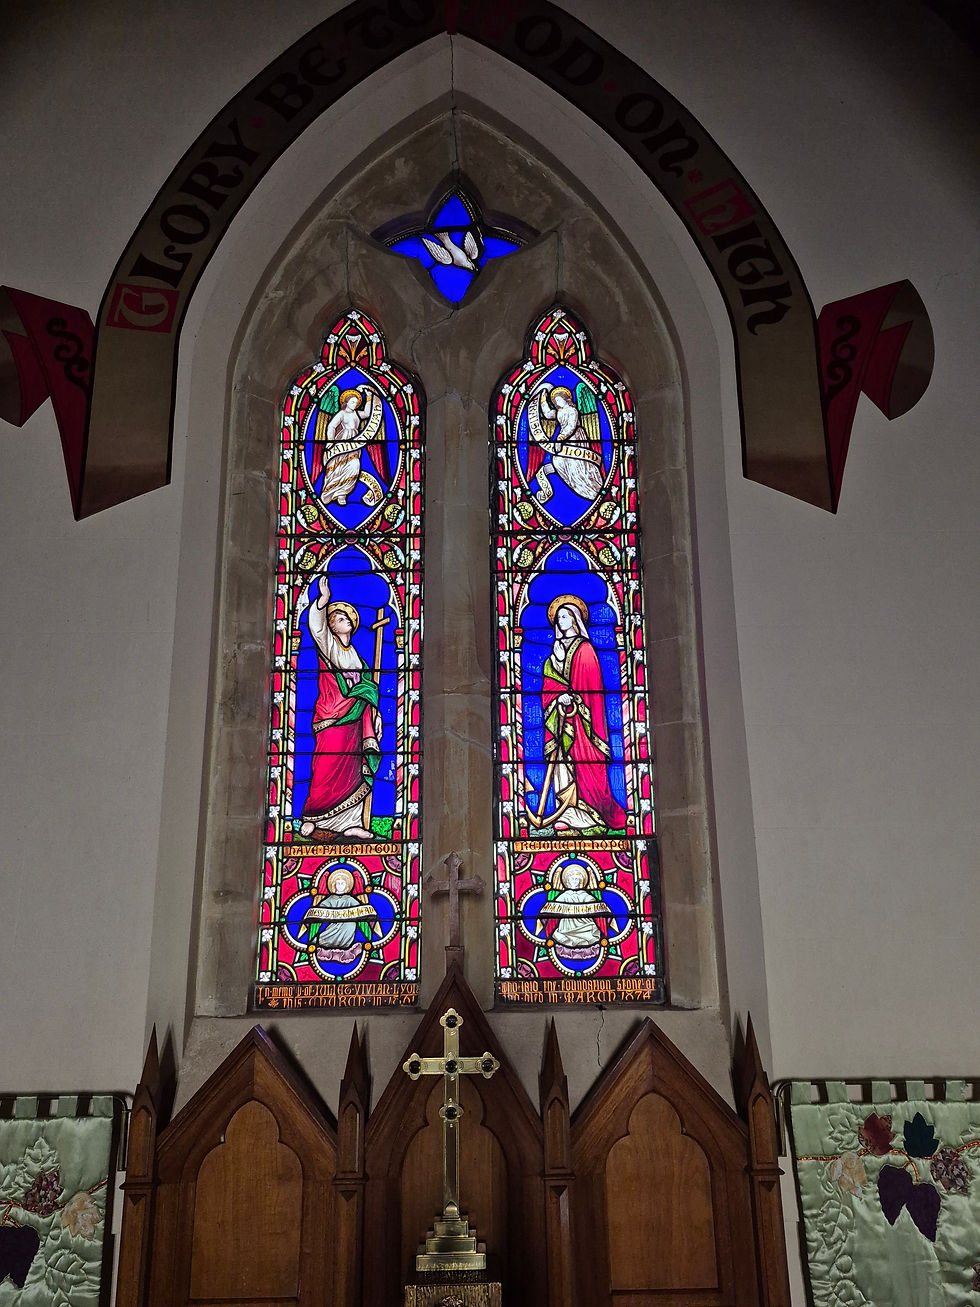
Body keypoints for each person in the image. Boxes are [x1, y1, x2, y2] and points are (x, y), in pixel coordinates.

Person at [534, 594, 627, 833]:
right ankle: (566, 813)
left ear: (575, 620)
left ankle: (588, 815)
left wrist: (572, 697)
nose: (561, 621)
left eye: (565, 616)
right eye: (558, 617)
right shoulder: (555, 649)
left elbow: (590, 685)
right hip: (560, 719)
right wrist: (557, 694)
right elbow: (549, 683)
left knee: (584, 763)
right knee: (562, 766)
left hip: (582, 724)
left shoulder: (585, 649)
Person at [299, 574, 381, 840]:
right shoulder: (329, 646)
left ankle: (352, 822)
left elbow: (366, 685)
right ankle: (312, 817)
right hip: (332, 716)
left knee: (353, 769)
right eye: (338, 618)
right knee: (326, 766)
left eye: (347, 618)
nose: (343, 621)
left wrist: (371, 702)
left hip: (355, 718)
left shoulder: (356, 655)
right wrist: (323, 602)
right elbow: (317, 628)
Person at [528, 384, 604, 504]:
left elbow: (571, 426)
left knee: (577, 466)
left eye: (559, 399)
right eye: (556, 401)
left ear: (566, 399)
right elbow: (547, 414)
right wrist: (542, 397)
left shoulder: (572, 410)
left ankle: (592, 489)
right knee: (560, 461)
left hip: (575, 438)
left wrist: (560, 438)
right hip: (564, 439)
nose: (558, 402)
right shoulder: (559, 412)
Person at [311, 385, 384, 506]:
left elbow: (367, 413)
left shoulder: (356, 414)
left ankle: (342, 493)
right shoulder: (341, 413)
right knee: (336, 468)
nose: (354, 404)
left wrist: (369, 397)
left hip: (355, 443)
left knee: (354, 465)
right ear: (346, 402)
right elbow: (331, 426)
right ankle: (330, 491)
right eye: (352, 401)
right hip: (342, 441)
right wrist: (330, 441)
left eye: (356, 402)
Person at [302, 867, 377, 966]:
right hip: (333, 926)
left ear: (346, 885)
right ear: (334, 885)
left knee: (350, 925)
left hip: (347, 927)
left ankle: (343, 944)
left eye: (342, 883)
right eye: (338, 883)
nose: (340, 886)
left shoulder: (350, 899)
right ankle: (322, 941)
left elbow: (360, 909)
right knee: (324, 937)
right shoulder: (329, 899)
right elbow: (321, 908)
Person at [538, 863, 608, 964]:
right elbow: (551, 909)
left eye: (577, 879)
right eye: (572, 879)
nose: (575, 882)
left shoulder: (586, 896)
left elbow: (594, 905)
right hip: (566, 928)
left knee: (593, 931)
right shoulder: (563, 896)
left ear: (581, 881)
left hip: (586, 927)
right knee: (558, 933)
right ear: (567, 882)